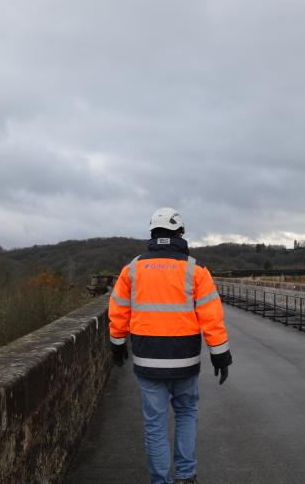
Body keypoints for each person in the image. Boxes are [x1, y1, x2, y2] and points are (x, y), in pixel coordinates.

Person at [108, 207, 233, 484]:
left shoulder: (132, 269)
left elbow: (118, 311)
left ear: (152, 233)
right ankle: (186, 476)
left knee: (155, 424)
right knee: (187, 414)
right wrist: (220, 354)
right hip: (185, 359)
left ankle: (160, 480)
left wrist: (117, 344)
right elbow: (212, 317)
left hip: (147, 359)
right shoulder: (196, 269)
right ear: (180, 233)